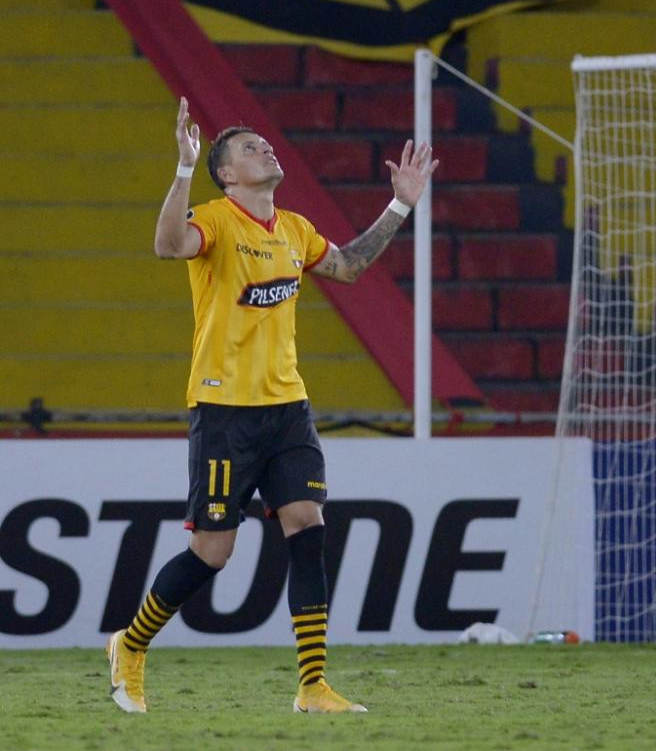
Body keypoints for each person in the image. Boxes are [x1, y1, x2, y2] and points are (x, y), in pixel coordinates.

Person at [105, 97, 437, 714]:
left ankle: (313, 687)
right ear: (227, 173)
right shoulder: (214, 220)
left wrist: (401, 204)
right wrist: (183, 168)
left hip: (288, 408)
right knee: (214, 552)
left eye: (266, 143)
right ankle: (130, 644)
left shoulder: (294, 229)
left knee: (307, 530)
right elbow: (167, 245)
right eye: (250, 148)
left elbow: (350, 265)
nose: (266, 149)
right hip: (224, 411)